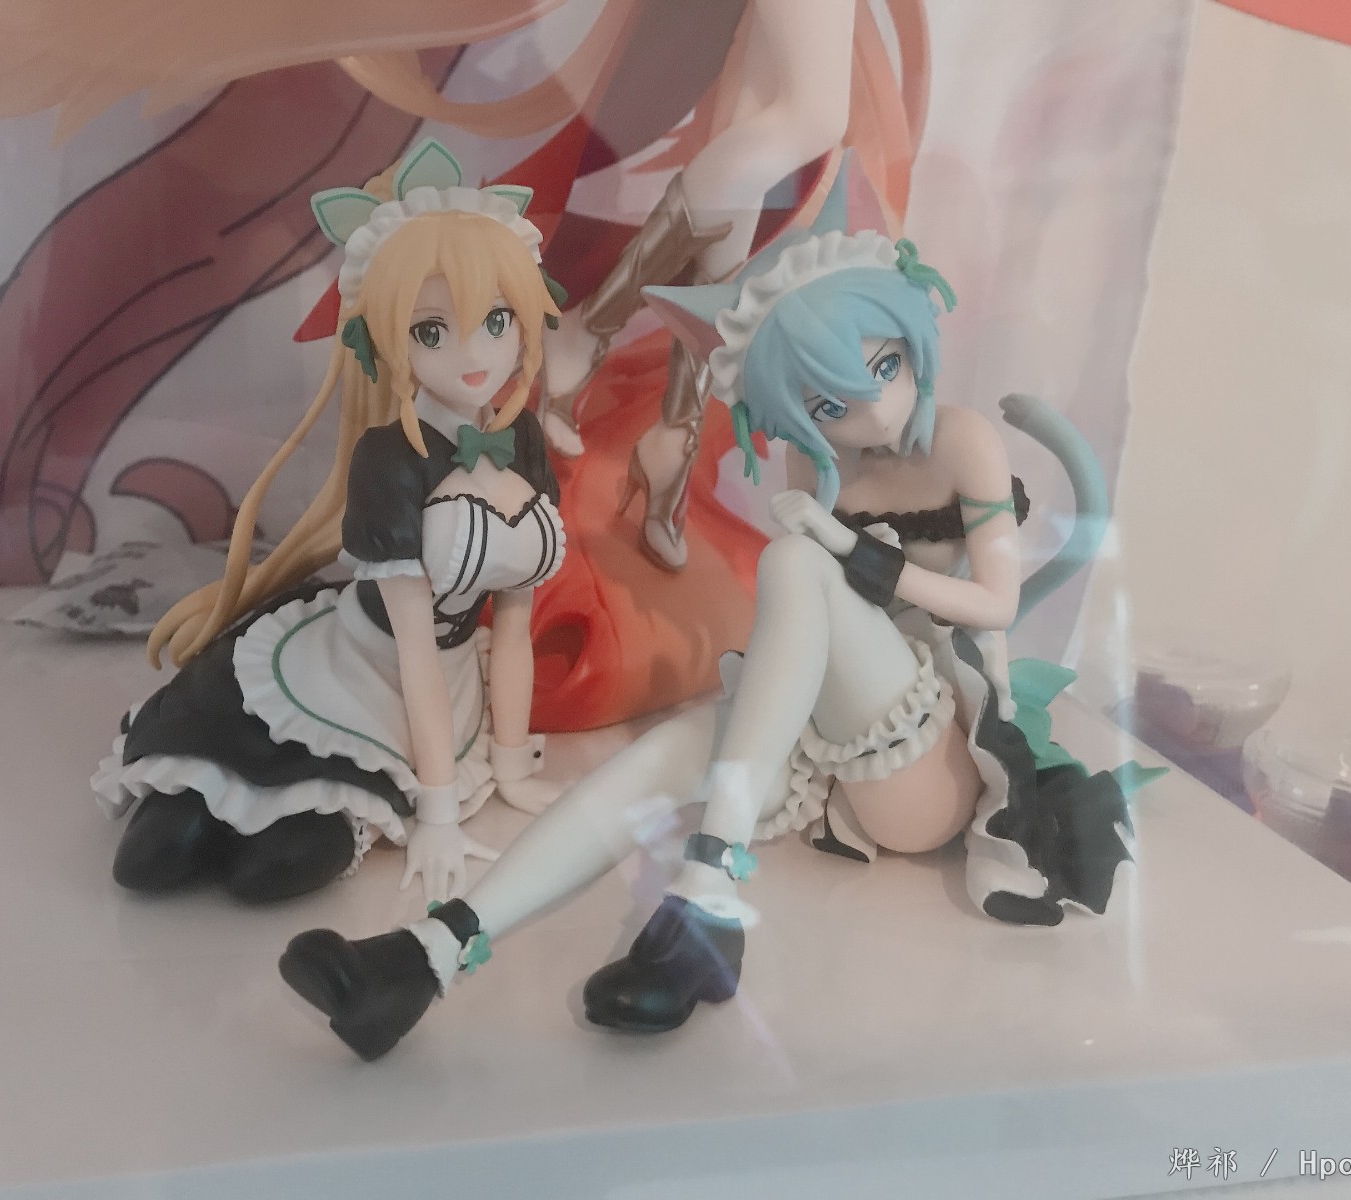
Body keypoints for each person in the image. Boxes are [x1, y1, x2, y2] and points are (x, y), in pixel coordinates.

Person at [277, 189, 1156, 1060]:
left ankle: (708, 887)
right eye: (826, 405)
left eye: (886, 367)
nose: (872, 410)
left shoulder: (962, 441)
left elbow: (996, 605)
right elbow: (818, 618)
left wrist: (861, 558)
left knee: (796, 560)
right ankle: (423, 956)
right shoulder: (824, 469)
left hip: (929, 762)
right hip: (830, 741)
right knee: (653, 762)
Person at [93, 141, 567, 904]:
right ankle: (195, 799)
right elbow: (411, 642)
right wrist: (438, 813)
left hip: (445, 685)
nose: (473, 354)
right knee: (156, 857)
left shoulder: (525, 444)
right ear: (385, 339)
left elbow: (514, 624)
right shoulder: (391, 458)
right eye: (431, 331)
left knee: (276, 871)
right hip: (361, 667)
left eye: (496, 319)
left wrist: (509, 766)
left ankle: (291, 824)